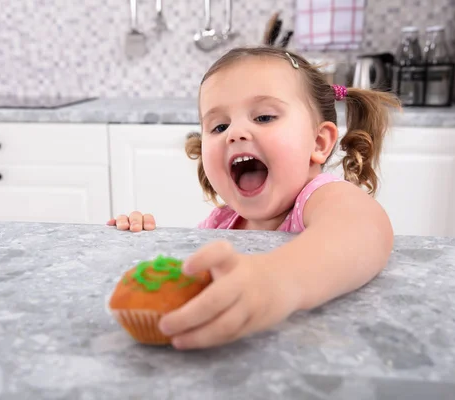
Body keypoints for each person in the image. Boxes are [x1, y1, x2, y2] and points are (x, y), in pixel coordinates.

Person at [107, 47, 401, 350]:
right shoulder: (220, 224)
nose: (235, 133)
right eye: (219, 126)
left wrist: (276, 279)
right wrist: (144, 239)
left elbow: (362, 231)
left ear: (318, 142)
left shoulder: (321, 197)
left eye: (263, 117)